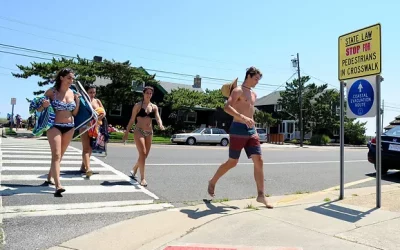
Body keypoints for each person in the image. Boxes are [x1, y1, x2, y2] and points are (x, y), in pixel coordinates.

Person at [208, 66, 273, 209]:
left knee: (259, 160)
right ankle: (212, 181)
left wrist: (252, 126)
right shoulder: (237, 90)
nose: (257, 81)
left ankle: (261, 195)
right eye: (256, 78)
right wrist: (242, 117)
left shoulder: (254, 94)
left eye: (258, 79)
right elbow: (227, 107)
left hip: (251, 131)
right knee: (232, 162)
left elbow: (250, 113)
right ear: (249, 76)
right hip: (237, 128)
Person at [36, 68, 80, 196]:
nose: (71, 81)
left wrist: (77, 101)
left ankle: (50, 177)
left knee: (59, 156)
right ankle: (58, 185)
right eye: (69, 78)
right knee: (56, 155)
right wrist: (43, 105)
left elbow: (75, 113)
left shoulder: (73, 93)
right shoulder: (52, 92)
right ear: (61, 78)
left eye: (72, 78)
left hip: (70, 127)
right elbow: (38, 109)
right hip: (54, 126)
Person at [123, 86, 165, 187]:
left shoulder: (154, 107)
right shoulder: (138, 105)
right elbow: (132, 119)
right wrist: (127, 132)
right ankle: (142, 179)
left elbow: (158, 118)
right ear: (143, 93)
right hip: (139, 131)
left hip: (149, 133)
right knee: (143, 153)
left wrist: (160, 124)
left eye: (150, 93)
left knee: (144, 156)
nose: (149, 95)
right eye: (147, 93)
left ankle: (134, 169)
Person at [79, 85, 105, 177]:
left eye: (94, 92)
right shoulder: (82, 100)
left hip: (95, 127)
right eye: (90, 92)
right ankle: (88, 169)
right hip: (85, 126)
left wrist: (101, 115)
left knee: (90, 147)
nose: (93, 94)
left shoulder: (97, 101)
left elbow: (103, 111)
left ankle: (83, 166)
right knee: (86, 148)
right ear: (86, 92)